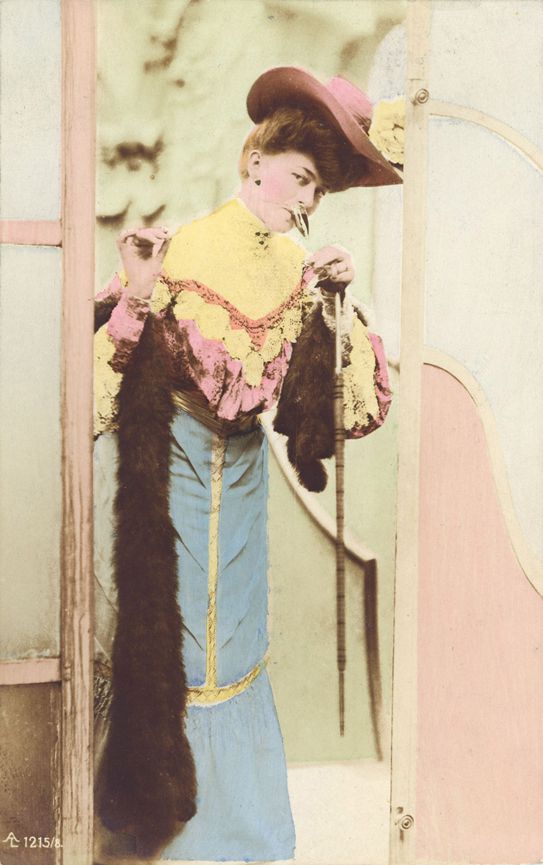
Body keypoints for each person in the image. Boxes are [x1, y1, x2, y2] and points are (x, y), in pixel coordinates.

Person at [93, 66, 401, 863]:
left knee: (236, 641)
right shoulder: (184, 247)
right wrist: (138, 293)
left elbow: (352, 412)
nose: (303, 200)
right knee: (178, 641)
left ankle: (245, 833)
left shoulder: (300, 268)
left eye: (317, 190)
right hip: (169, 464)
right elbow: (98, 385)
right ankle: (174, 831)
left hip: (244, 473)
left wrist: (336, 303)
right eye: (298, 177)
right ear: (254, 161)